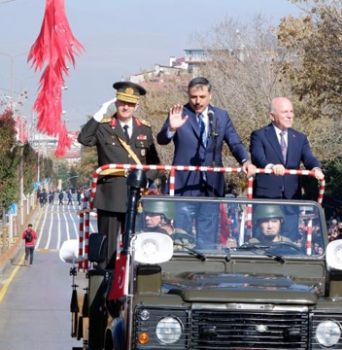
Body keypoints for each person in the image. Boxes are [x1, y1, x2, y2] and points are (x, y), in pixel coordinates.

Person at [157, 77, 256, 249]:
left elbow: (234, 142)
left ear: (210, 95)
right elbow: (162, 139)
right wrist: (172, 129)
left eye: (202, 97)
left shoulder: (221, 116)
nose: (197, 101)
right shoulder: (179, 113)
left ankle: (203, 272)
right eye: (193, 97)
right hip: (184, 186)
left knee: (207, 241)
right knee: (182, 240)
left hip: (211, 186)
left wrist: (245, 160)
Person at [78, 81, 160, 266]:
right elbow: (84, 138)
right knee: (107, 246)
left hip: (136, 194)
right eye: (122, 102)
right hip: (110, 194)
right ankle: (106, 283)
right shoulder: (105, 126)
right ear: (116, 102)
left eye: (130, 103)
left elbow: (154, 163)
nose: (126, 107)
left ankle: (129, 283)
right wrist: (99, 114)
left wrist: (147, 182)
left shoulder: (144, 129)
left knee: (134, 245)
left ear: (137, 105)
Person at [249, 97, 324, 199]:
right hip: (267, 197)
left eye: (291, 111)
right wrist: (271, 166)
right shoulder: (259, 135)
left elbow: (309, 158)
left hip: (292, 198)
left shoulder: (300, 138)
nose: (289, 116)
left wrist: (316, 168)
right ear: (272, 116)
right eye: (285, 112)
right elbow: (258, 157)